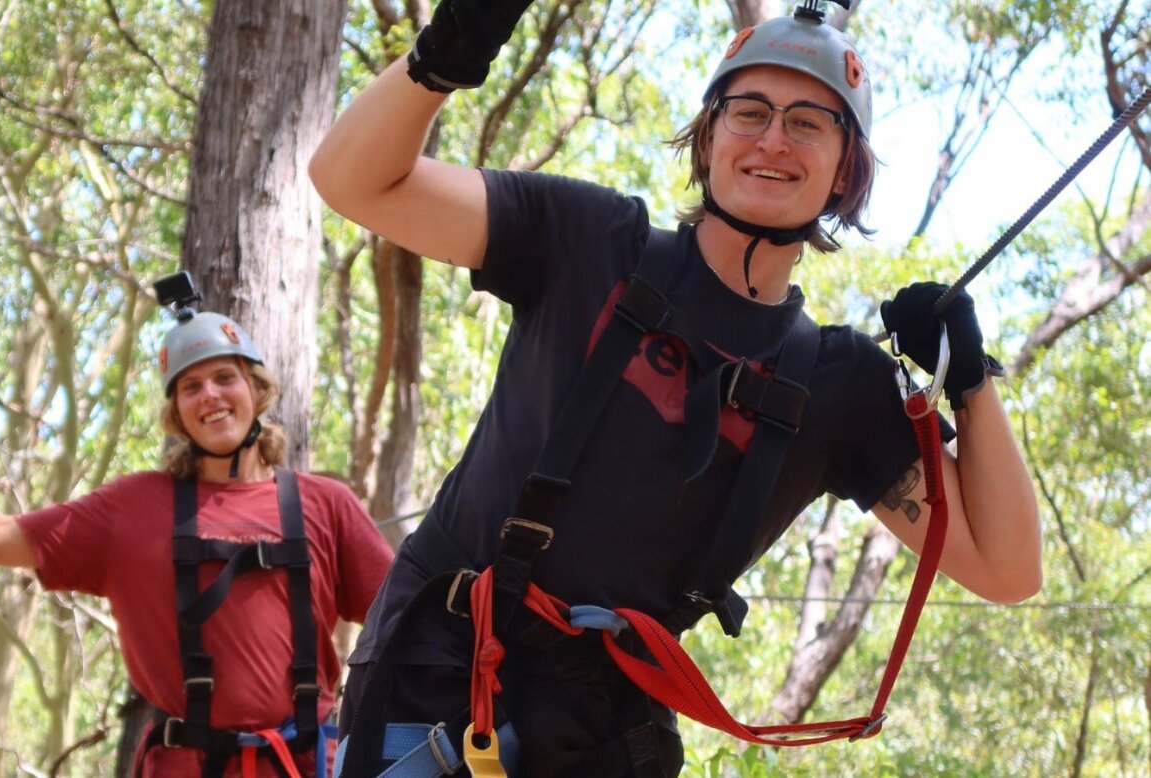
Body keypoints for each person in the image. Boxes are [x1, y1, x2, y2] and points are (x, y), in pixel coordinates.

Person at [308, 1, 1041, 776]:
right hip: (437, 687)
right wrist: (443, 58)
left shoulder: (840, 388)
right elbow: (352, 182)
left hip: (601, 734)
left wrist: (971, 383)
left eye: (808, 123)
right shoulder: (586, 242)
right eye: (748, 112)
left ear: (845, 168)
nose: (771, 140)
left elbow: (1006, 569)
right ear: (708, 136)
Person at [0, 278, 395, 778]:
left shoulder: (324, 505)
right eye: (190, 386)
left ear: (256, 389)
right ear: (176, 413)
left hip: (305, 764)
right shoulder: (133, 508)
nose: (210, 396)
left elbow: (409, 621)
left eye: (225, 378)